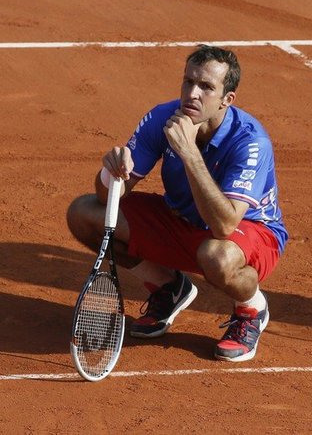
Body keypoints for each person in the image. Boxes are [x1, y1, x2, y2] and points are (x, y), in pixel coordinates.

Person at [67, 45, 289, 362]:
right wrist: (112, 173)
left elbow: (224, 225)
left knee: (216, 255)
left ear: (227, 99)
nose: (193, 94)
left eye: (206, 87)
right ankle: (168, 289)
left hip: (247, 233)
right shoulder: (163, 117)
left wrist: (189, 153)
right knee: (85, 213)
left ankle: (251, 308)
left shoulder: (251, 141)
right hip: (182, 221)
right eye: (188, 82)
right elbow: (108, 200)